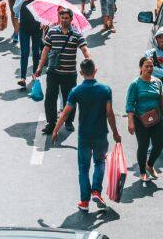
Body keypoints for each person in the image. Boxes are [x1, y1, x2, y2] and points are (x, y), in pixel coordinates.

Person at [52, 58, 121, 212]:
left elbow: (65, 113)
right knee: (99, 163)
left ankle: (84, 201)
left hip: (84, 136)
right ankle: (96, 191)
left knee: (83, 168)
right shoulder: (105, 90)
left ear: (81, 73)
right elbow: (109, 113)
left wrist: (56, 130)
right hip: (101, 134)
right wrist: (116, 133)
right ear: (95, 70)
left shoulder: (76, 91)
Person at [34, 6, 90, 135]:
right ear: (59, 18)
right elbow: (45, 50)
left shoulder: (76, 34)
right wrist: (39, 67)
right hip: (53, 72)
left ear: (71, 19)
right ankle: (51, 123)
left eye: (66, 18)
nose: (64, 20)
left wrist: (89, 61)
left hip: (69, 74)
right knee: (50, 98)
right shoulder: (52, 32)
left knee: (69, 99)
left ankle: (68, 122)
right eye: (62, 17)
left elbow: (84, 49)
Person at [126, 55, 163, 183]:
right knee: (143, 146)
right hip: (140, 120)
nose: (149, 68)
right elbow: (129, 104)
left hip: (157, 119)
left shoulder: (158, 82)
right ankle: (142, 171)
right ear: (141, 68)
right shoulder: (135, 84)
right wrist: (130, 122)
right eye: (147, 66)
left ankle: (150, 165)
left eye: (151, 66)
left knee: (159, 144)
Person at [14, 0, 45, 88]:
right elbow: (15, 9)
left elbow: (44, 11)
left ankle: (35, 74)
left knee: (36, 52)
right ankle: (22, 78)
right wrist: (23, 0)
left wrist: (43, 22)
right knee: (25, 52)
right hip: (24, 27)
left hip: (37, 27)